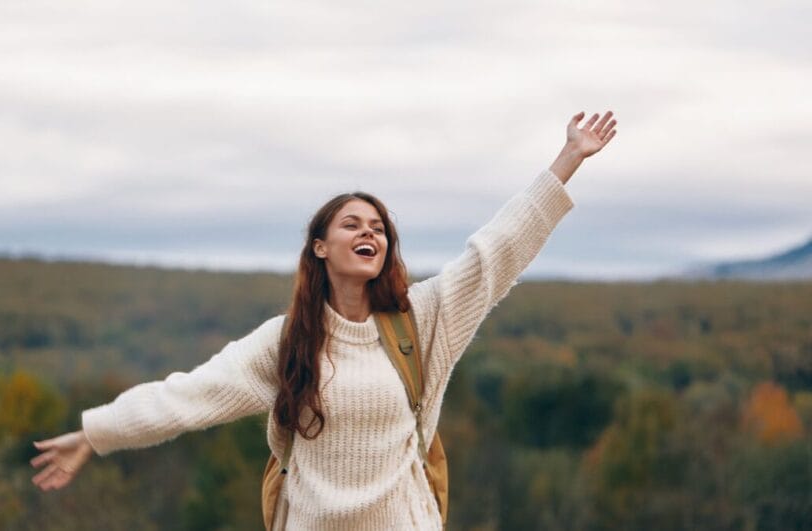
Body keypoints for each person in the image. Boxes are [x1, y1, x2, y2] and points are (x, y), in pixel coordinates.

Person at [31, 111, 617, 529]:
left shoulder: (422, 319)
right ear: (319, 247)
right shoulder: (287, 342)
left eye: (379, 227)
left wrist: (568, 159)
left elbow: (498, 249)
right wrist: (95, 432)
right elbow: (188, 396)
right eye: (352, 224)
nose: (370, 232)